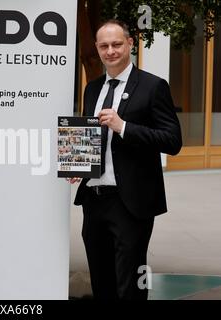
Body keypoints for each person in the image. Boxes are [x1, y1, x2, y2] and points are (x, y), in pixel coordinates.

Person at [68, 20, 182, 300]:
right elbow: (92, 135)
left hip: (130, 203)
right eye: (104, 46)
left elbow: (172, 141)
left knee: (130, 285)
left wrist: (124, 127)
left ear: (130, 44)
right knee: (101, 282)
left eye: (116, 44)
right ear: (96, 48)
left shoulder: (153, 86)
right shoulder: (92, 89)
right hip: (94, 201)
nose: (110, 51)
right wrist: (79, 164)